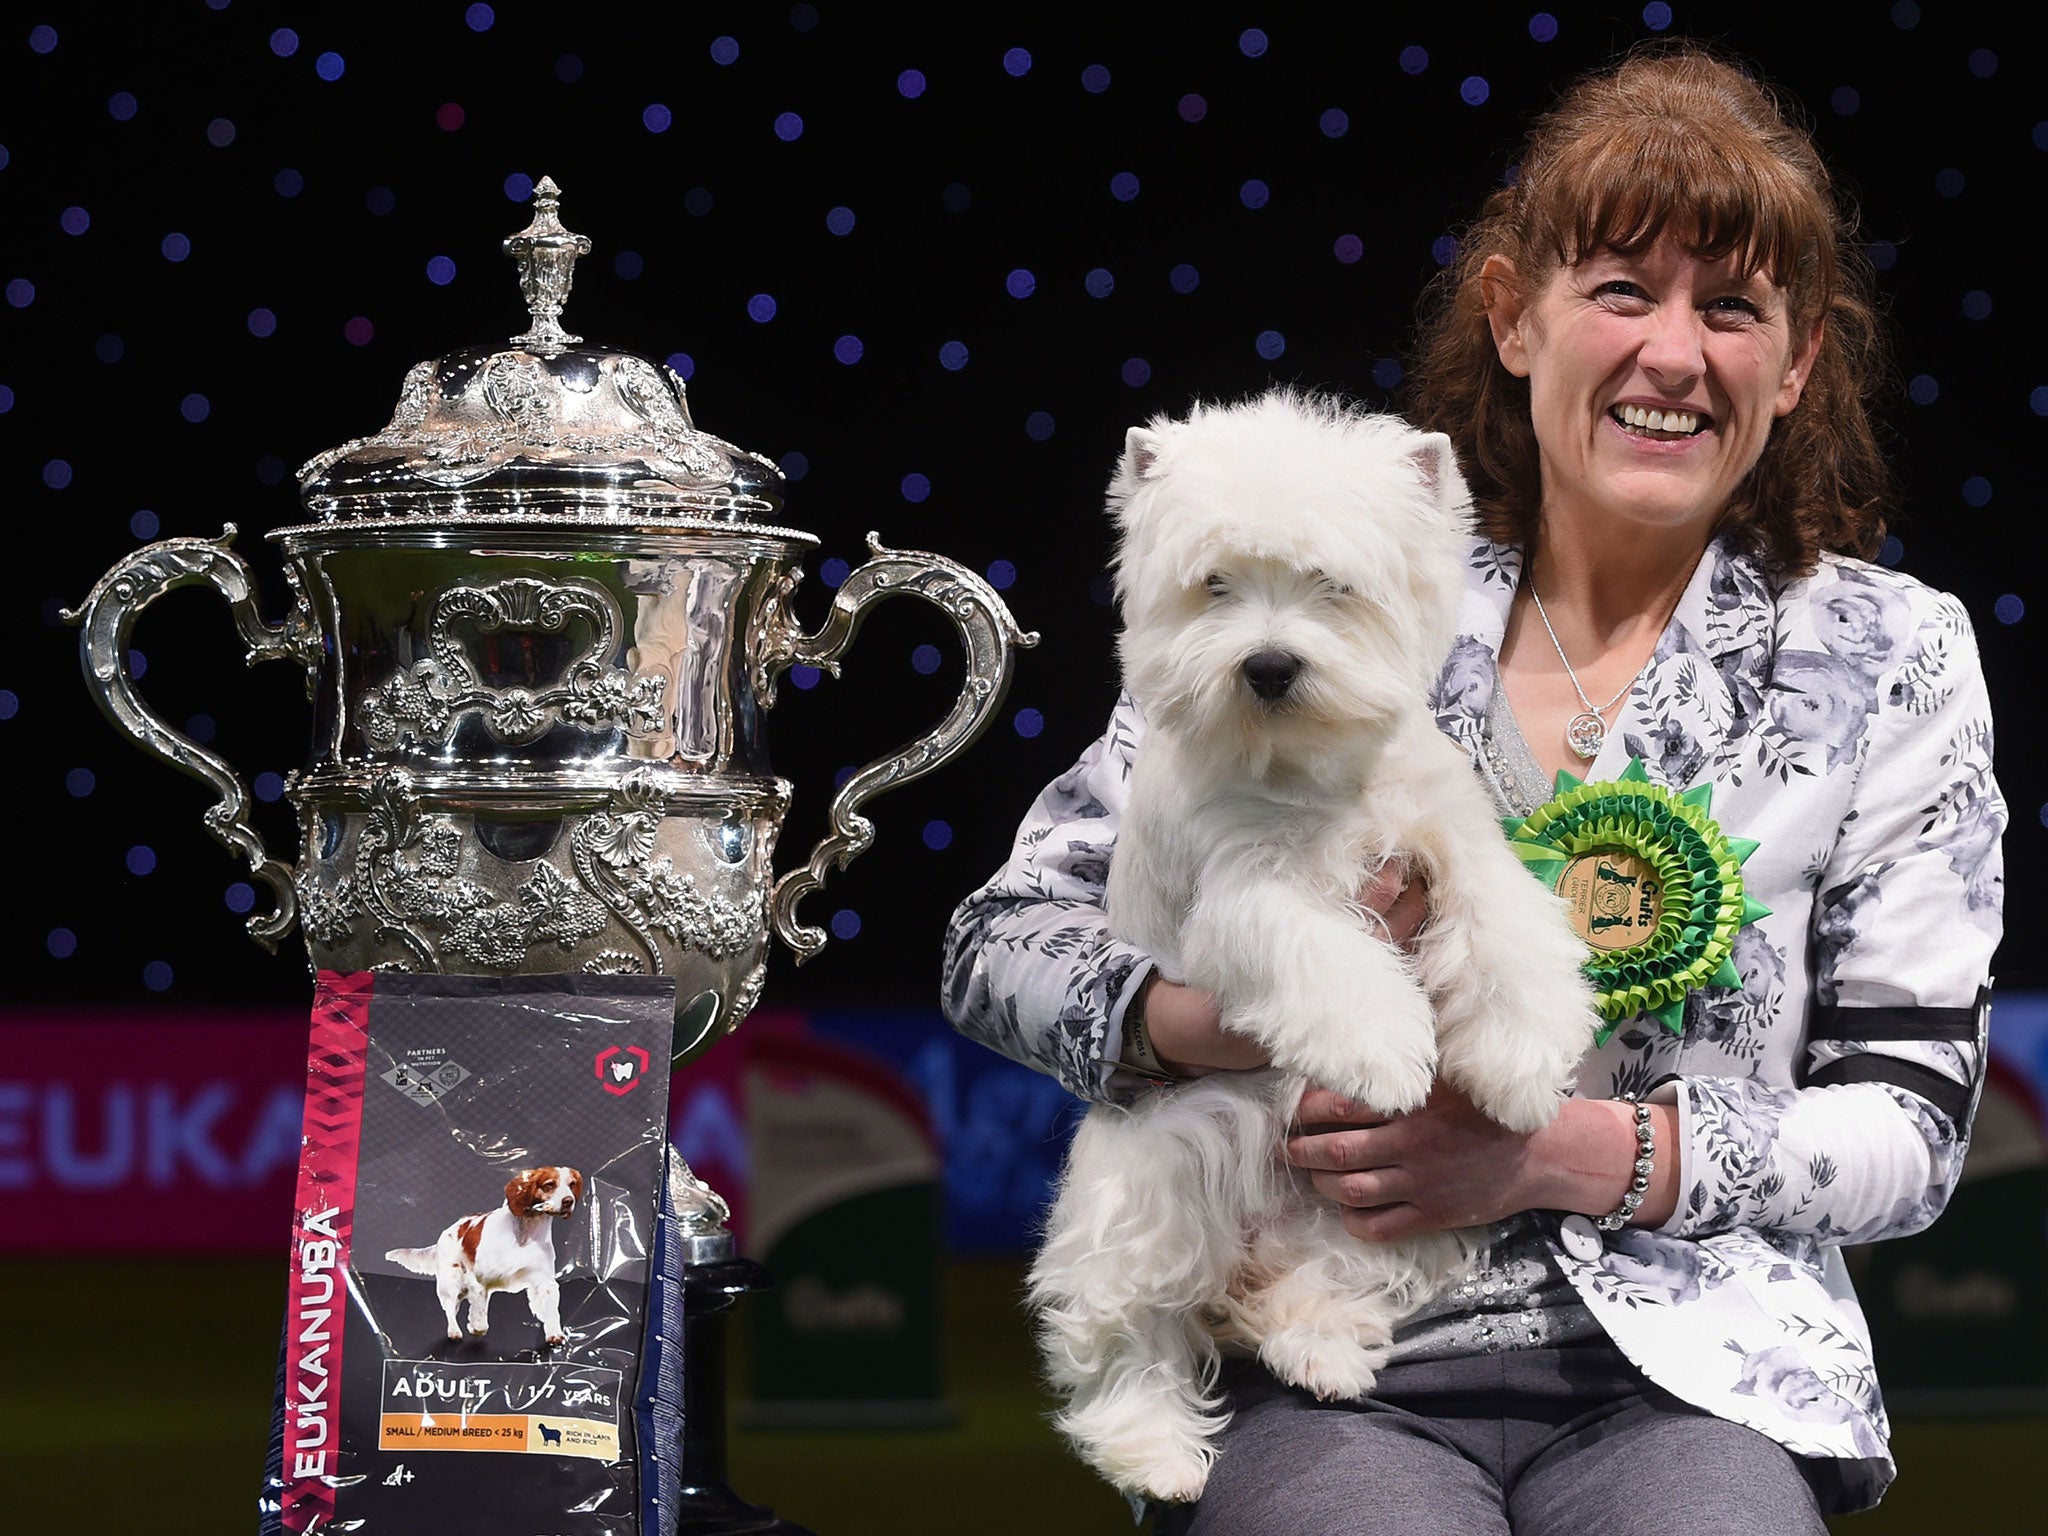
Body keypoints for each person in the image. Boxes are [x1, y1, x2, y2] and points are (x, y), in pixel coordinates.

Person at [940, 43, 2005, 1536]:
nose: (1675, 355)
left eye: (1734, 309)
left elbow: (1909, 1131)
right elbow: (997, 952)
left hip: (1691, 1367)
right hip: (1317, 1352)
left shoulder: (1887, 653)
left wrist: (1570, 1155)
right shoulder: (1310, 575)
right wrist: (1208, 1017)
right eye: (1622, 292)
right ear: (1514, 318)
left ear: (1802, 359)